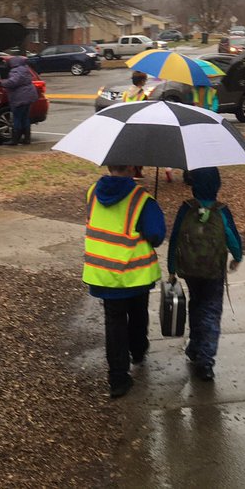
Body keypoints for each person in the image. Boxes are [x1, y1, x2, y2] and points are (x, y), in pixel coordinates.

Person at [83, 163, 166, 398]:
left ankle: (118, 378)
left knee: (114, 322)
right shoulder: (141, 199)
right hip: (135, 273)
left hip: (103, 273)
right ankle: (138, 349)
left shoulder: (92, 193)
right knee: (138, 312)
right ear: (132, 167)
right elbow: (156, 235)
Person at [168, 167, 242, 382]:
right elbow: (231, 237)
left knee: (196, 304)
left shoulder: (186, 209)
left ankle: (194, 346)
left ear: (194, 185)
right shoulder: (222, 210)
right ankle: (206, 360)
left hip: (190, 270)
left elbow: (175, 239)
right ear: (217, 185)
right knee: (211, 311)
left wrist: (172, 268)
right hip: (213, 272)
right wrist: (237, 257)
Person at [0, 55, 39, 145]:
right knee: (25, 117)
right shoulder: (25, 68)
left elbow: (13, 82)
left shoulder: (16, 70)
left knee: (17, 118)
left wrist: (2, 83)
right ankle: (27, 138)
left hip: (20, 97)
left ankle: (15, 139)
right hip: (29, 96)